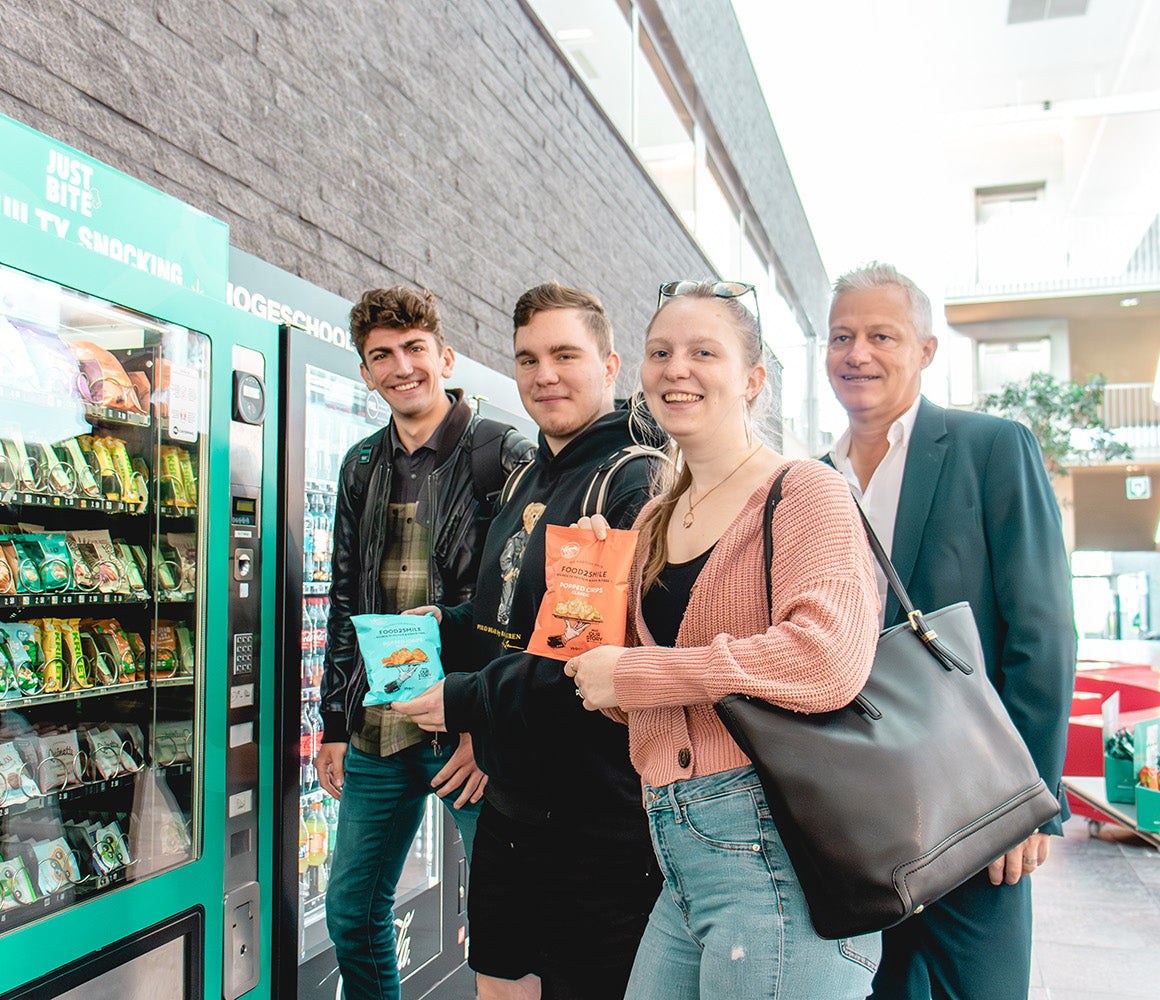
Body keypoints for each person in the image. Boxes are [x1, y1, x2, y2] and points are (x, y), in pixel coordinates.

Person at [565, 279, 882, 1000]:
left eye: (703, 351)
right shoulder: (650, 521)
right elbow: (631, 697)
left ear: (752, 378)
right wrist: (589, 610)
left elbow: (828, 660)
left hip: (775, 848)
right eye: (660, 352)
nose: (676, 368)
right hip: (677, 855)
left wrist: (637, 674)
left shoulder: (805, 490)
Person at [392, 282, 662, 1000]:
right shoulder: (526, 477)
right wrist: (444, 624)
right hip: (511, 811)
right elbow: (506, 610)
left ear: (609, 366)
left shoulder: (631, 485)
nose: (544, 375)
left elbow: (580, 662)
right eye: (528, 358)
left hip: (598, 825)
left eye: (565, 355)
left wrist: (463, 702)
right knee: (499, 987)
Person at [822, 262, 1076, 1000]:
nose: (857, 353)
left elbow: (1043, 631)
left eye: (881, 335)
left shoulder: (990, 448)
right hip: (858, 820)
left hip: (975, 804)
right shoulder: (809, 477)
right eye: (842, 336)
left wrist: (1029, 804)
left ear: (926, 350)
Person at [315, 285, 533, 1000]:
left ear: (444, 355)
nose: (401, 366)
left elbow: (525, 603)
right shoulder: (359, 465)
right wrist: (334, 725)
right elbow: (347, 599)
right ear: (365, 371)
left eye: (414, 349)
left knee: (509, 917)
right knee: (351, 911)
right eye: (382, 355)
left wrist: (487, 725)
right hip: (382, 720)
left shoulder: (502, 455)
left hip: (467, 723)